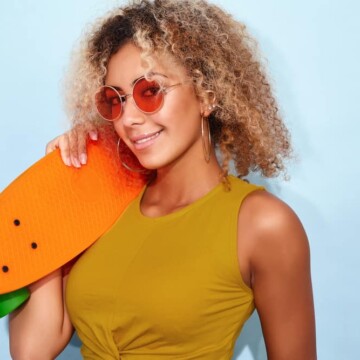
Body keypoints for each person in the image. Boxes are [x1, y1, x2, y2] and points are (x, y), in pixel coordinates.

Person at [9, 0, 317, 359]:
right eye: (116, 100)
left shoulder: (262, 224)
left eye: (150, 92)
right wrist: (53, 193)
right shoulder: (107, 203)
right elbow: (32, 351)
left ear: (207, 94)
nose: (129, 119)